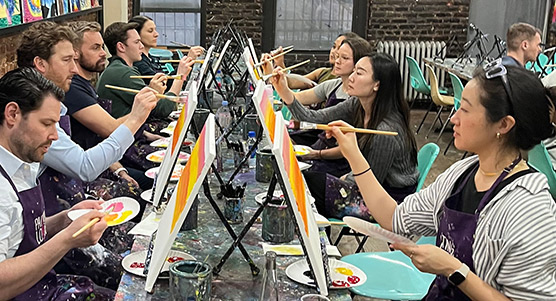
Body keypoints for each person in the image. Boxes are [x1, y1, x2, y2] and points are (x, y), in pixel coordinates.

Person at [328, 60, 556, 299]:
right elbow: (394, 218)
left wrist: (453, 269)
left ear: (504, 124)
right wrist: (353, 153)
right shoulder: (463, 173)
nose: (453, 118)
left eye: (465, 109)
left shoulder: (531, 210)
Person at [0, 67, 113, 300]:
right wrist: (66, 240)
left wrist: (64, 219)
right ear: (12, 114)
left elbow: (19, 232)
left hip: (41, 285)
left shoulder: (23, 162)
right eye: (46, 123)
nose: (54, 135)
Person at [271, 52, 419, 220]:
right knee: (305, 180)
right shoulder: (357, 104)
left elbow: (370, 184)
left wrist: (342, 177)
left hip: (388, 202)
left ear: (376, 85)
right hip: (368, 184)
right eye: (354, 70)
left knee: (309, 185)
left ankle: (316, 242)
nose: (351, 77)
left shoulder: (386, 131)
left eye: (359, 73)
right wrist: (284, 92)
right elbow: (313, 118)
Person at [16, 21, 159, 184]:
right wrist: (135, 117)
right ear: (40, 64)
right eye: (66, 60)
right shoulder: (31, 110)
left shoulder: (55, 99)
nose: (74, 69)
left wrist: (119, 169)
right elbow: (85, 167)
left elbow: (83, 149)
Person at [64, 20, 154, 191]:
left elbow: (101, 140)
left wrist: (119, 169)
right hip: (86, 180)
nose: (103, 53)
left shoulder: (85, 84)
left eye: (102, 47)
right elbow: (112, 131)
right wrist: (143, 108)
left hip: (108, 163)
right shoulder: (72, 89)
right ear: (75, 53)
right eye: (95, 48)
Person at [266, 36, 372, 150]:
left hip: (332, 153)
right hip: (320, 142)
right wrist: (272, 74)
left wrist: (316, 154)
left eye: (344, 58)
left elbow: (310, 116)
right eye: (337, 55)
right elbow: (297, 98)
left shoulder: (356, 99)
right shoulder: (334, 84)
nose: (337, 61)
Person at [97, 21, 194, 120]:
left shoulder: (121, 68)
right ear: (121, 47)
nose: (141, 46)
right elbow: (163, 109)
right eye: (136, 42)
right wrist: (180, 76)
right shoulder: (122, 73)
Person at [128, 15, 204, 82]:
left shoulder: (150, 58)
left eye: (155, 30)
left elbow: (174, 80)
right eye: (150, 31)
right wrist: (188, 60)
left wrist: (186, 67)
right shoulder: (138, 62)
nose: (156, 34)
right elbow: (165, 85)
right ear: (136, 35)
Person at [273, 32, 360, 89]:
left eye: (339, 48)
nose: (334, 52)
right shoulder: (322, 72)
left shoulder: (346, 82)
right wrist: (280, 63)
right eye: (333, 47)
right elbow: (291, 83)